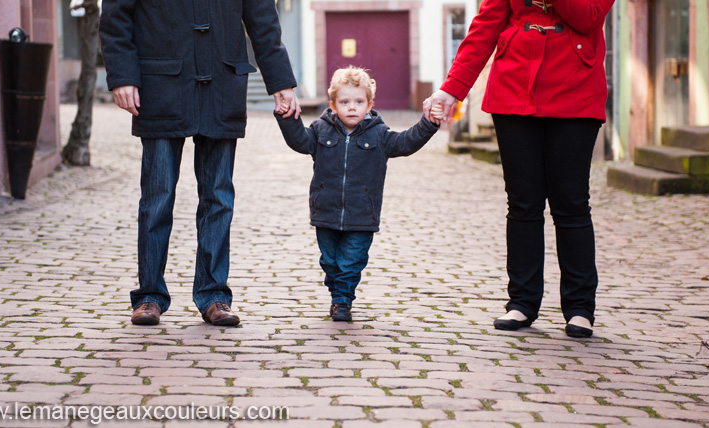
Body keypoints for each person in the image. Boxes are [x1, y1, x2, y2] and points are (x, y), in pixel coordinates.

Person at [99, 0, 301, 326]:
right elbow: (115, 17)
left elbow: (263, 21)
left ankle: (214, 296)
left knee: (218, 197)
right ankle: (149, 296)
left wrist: (281, 82)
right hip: (160, 86)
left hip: (222, 85)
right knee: (157, 196)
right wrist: (122, 74)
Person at [423, 0, 614, 338]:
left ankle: (580, 308)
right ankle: (522, 302)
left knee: (570, 202)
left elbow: (588, 17)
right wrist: (452, 88)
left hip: (575, 89)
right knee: (523, 202)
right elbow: (485, 27)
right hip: (513, 88)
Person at [276, 66, 440, 321]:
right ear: (332, 105)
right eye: (344, 102)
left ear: (369, 104)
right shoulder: (321, 130)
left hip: (362, 214)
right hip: (326, 211)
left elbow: (406, 143)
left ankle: (342, 301)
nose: (352, 107)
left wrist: (428, 124)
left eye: (358, 101)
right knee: (330, 262)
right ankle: (337, 292)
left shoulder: (379, 133)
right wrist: (288, 118)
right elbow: (300, 141)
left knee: (351, 261)